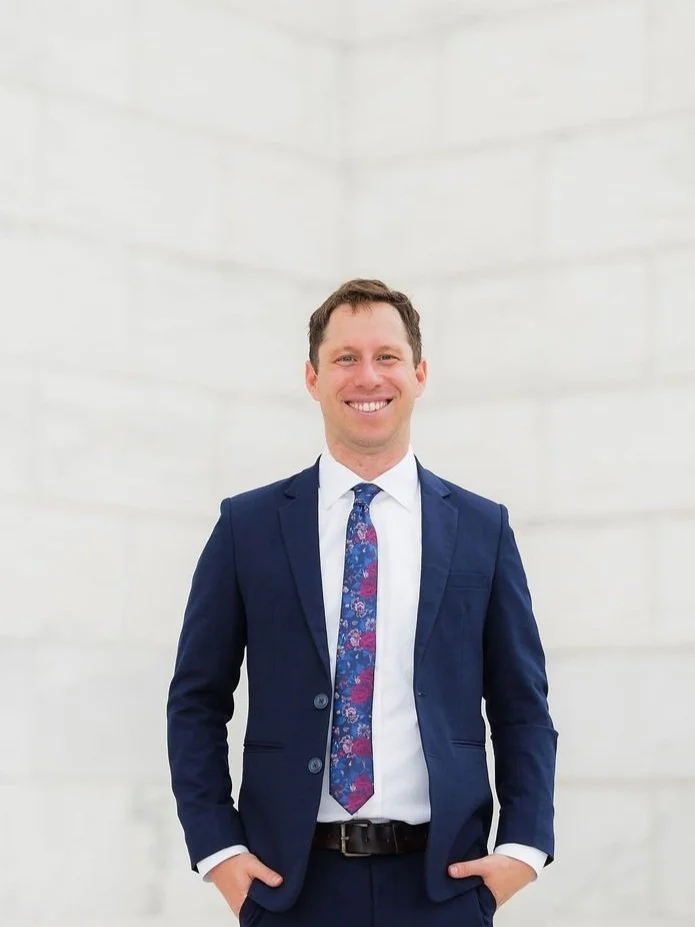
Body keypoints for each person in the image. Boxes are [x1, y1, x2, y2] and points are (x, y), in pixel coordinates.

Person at [167, 279, 557, 926]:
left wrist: (523, 848)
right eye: (345, 357)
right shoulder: (247, 527)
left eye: (387, 356)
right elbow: (196, 700)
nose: (367, 376)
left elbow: (522, 704)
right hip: (289, 887)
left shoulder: (482, 529)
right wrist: (219, 850)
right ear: (312, 377)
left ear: (419, 374)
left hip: (443, 887)